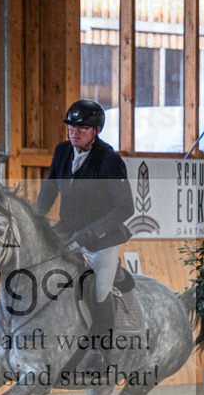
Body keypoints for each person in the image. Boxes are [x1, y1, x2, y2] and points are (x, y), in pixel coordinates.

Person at [34, 99, 135, 330]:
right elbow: (50, 188)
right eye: (70, 127)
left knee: (100, 293)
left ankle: (102, 350)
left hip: (100, 240)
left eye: (81, 128)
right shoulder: (62, 151)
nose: (74, 133)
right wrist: (36, 217)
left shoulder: (110, 160)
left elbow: (125, 208)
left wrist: (92, 232)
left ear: (96, 130)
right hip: (67, 233)